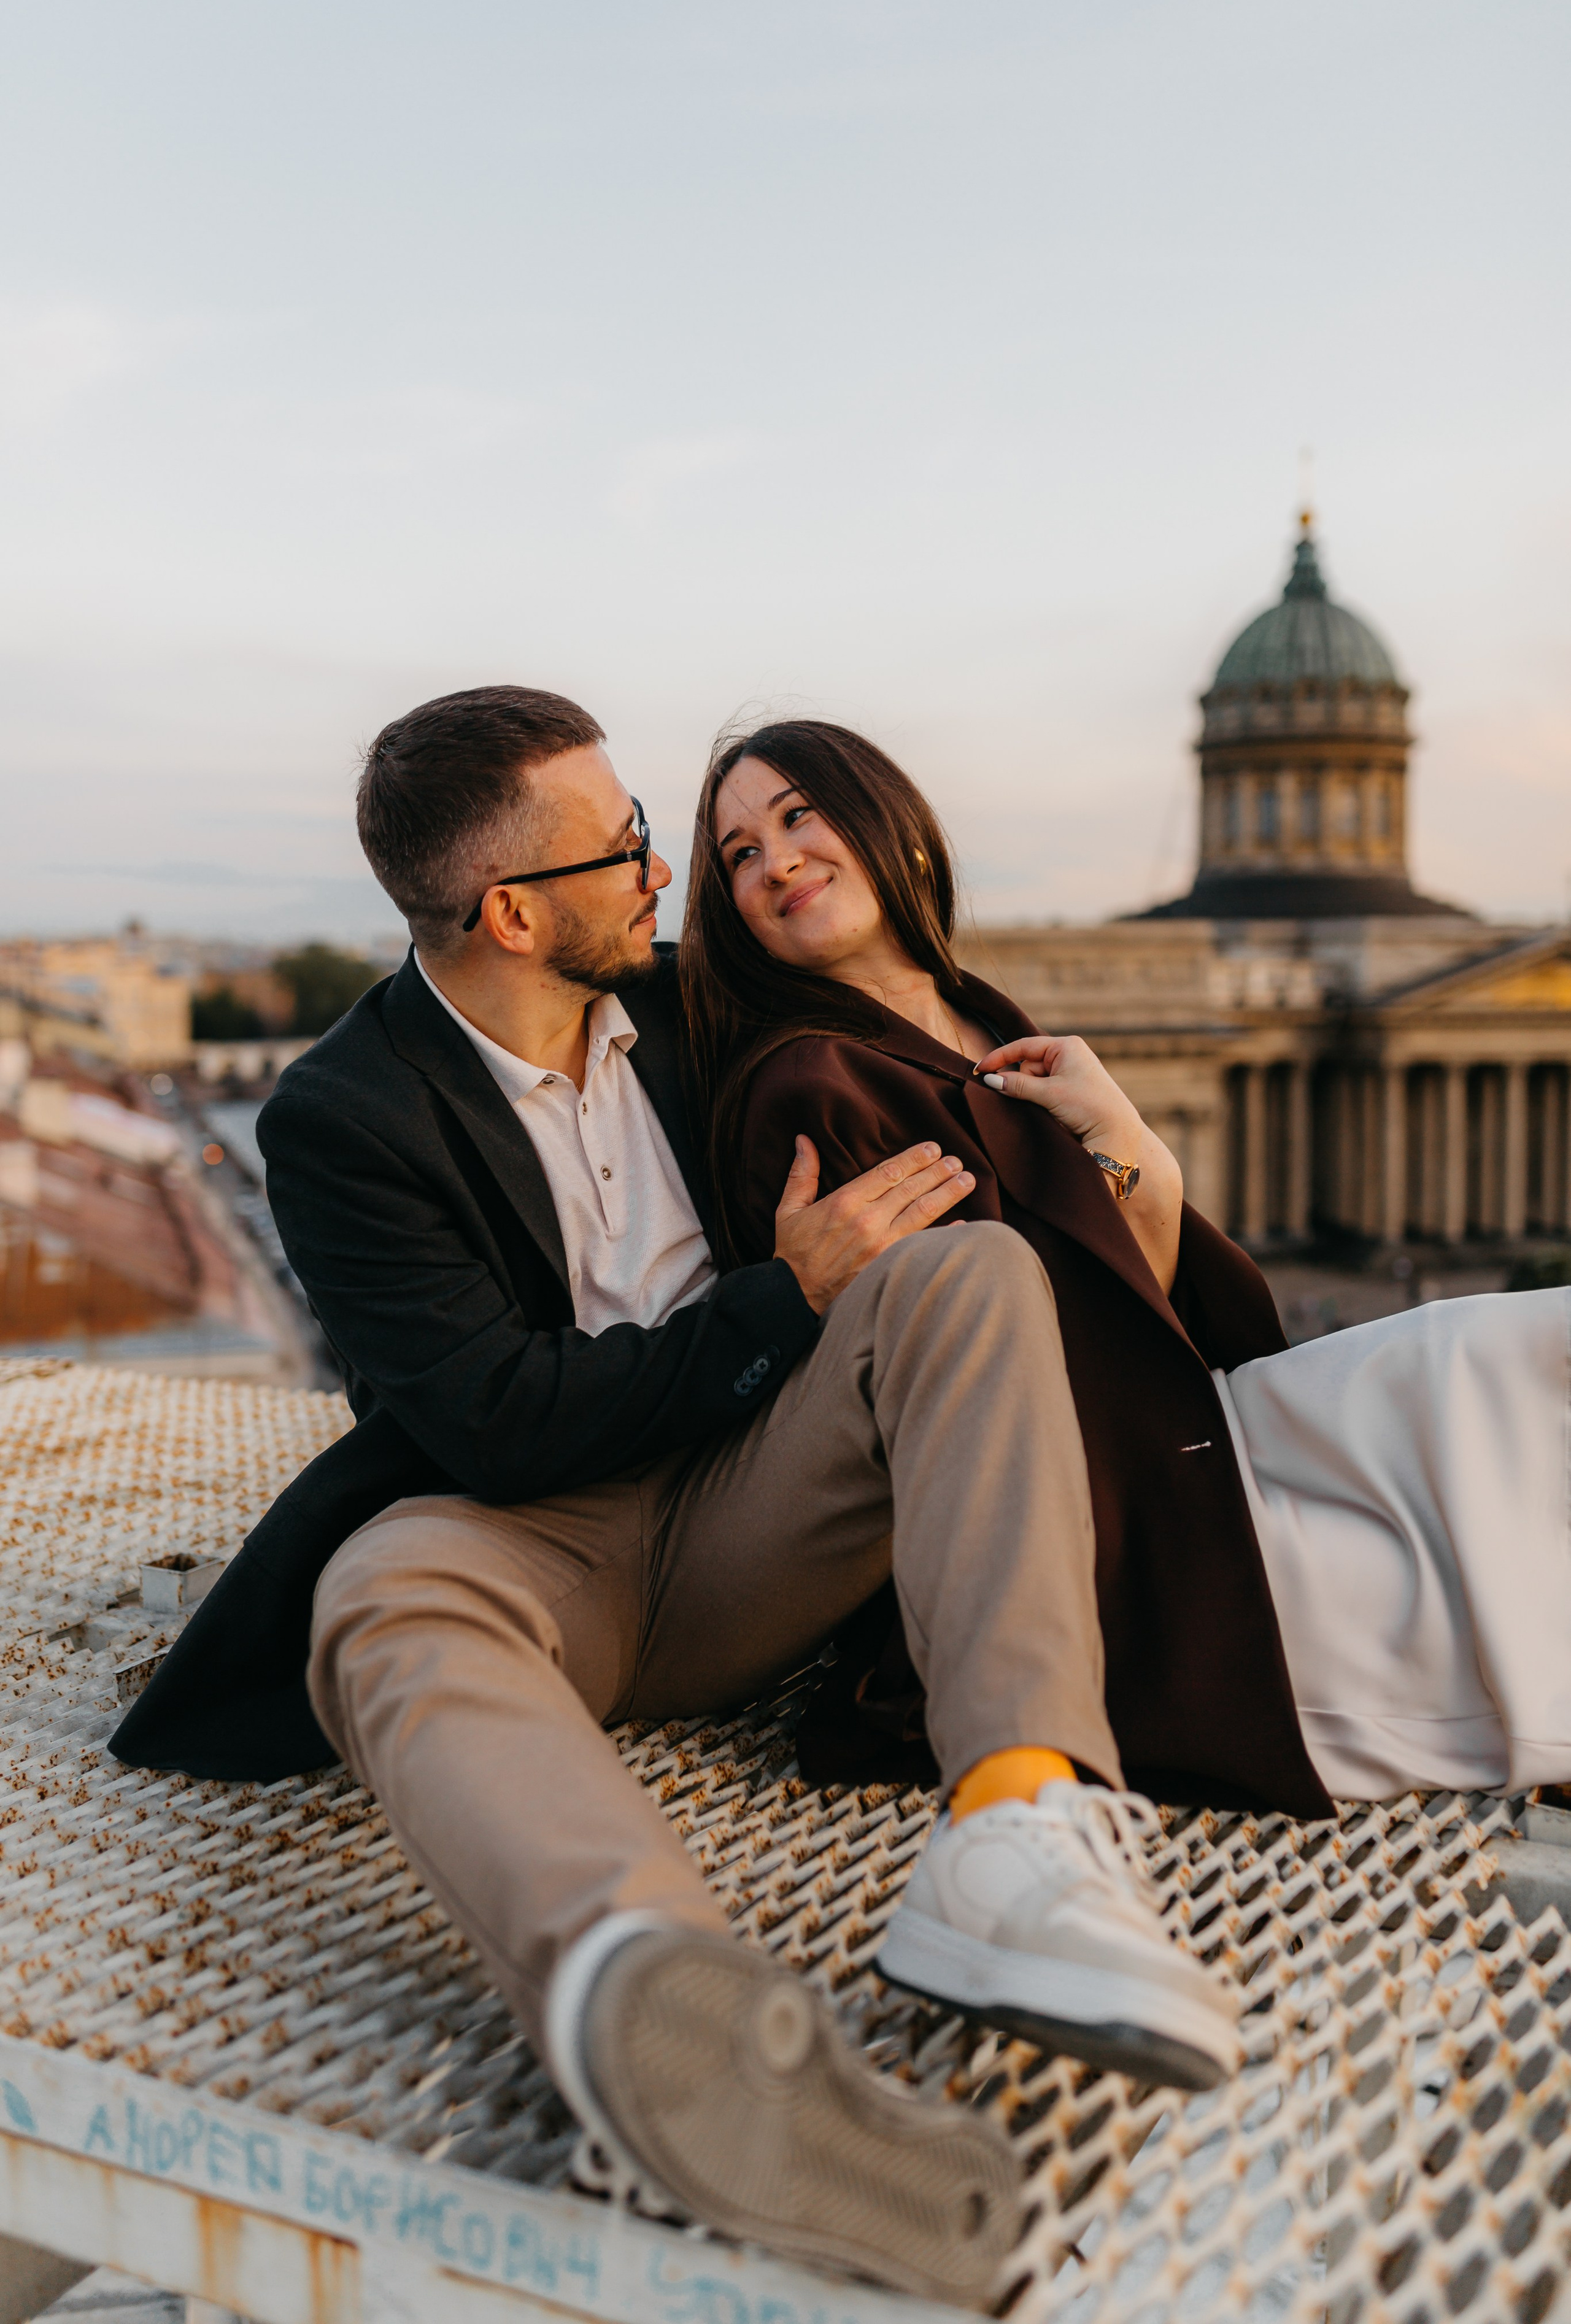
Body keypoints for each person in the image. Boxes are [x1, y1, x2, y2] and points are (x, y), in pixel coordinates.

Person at [112, 687, 1242, 2309]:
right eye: (628, 843)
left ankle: (1015, 1837)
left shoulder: (700, 1009)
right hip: (536, 1542)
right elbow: (496, 1425)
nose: (667, 871)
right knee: (380, 1590)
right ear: (513, 912)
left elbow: (903, 998)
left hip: (762, 1508)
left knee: (968, 1277)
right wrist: (782, 1295)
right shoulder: (342, 1116)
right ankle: (663, 2012)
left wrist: (1122, 1140)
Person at [681, 717, 1571, 1845]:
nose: (776, 861)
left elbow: (1135, 1288)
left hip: (1173, 1414)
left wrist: (1133, 1149)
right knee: (1455, 1523)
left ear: (891, 827)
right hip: (1096, 1512)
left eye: (799, 815)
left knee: (1498, 1357)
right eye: (740, 854)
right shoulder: (811, 1084)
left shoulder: (984, 1017)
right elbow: (978, 1383)